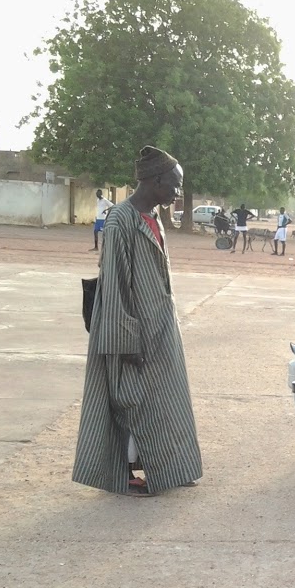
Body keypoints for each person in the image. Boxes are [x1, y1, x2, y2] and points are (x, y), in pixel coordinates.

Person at [72, 145, 202, 497]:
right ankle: (128, 473)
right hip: (131, 331)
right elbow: (113, 284)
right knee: (132, 402)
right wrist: (125, 341)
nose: (177, 192)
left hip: (160, 328)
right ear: (155, 179)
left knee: (167, 400)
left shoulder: (154, 217)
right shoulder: (121, 219)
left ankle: (169, 467)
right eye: (174, 184)